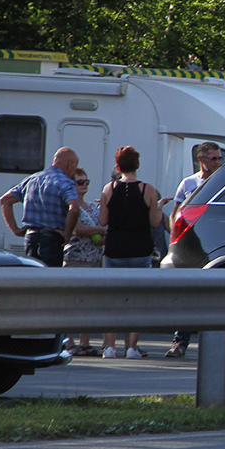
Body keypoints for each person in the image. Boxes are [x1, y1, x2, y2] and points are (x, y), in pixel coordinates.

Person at [98, 146, 162, 360]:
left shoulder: (109, 189)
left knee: (111, 299)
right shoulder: (148, 190)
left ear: (118, 166)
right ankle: (132, 348)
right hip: (140, 248)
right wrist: (159, 208)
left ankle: (109, 347)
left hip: (114, 248)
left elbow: (103, 221)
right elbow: (154, 222)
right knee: (136, 299)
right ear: (137, 165)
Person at [162, 142, 223, 358]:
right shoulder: (189, 183)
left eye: (219, 158)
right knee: (188, 294)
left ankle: (221, 344)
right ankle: (180, 342)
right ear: (201, 159)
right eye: (213, 159)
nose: (217, 162)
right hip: (191, 246)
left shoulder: (224, 181)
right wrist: (173, 237)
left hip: (216, 246)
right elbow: (175, 213)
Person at [0, 146, 82, 267]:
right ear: (70, 164)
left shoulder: (32, 179)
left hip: (30, 238)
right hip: (52, 239)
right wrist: (67, 234)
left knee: (33, 279)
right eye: (75, 167)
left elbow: (4, 200)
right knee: (51, 280)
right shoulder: (66, 182)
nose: (74, 171)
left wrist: (15, 230)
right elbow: (74, 209)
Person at [62, 168, 107, 356]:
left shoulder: (92, 207)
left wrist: (102, 232)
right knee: (72, 302)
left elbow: (100, 231)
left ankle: (85, 342)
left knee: (89, 303)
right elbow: (77, 229)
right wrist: (100, 230)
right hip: (75, 258)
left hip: (95, 258)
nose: (84, 185)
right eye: (80, 182)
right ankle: (69, 341)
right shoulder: (71, 206)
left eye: (86, 182)